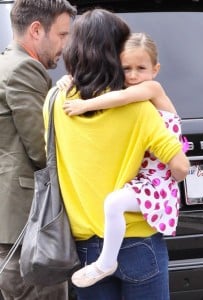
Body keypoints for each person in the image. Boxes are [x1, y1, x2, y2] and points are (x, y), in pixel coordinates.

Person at [43, 10, 190, 300]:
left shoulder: (54, 101)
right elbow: (180, 166)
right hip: (139, 241)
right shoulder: (139, 106)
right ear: (116, 53)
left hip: (85, 247)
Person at [0, 0, 76, 299]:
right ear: (36, 30)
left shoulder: (6, 62)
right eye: (62, 34)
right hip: (29, 230)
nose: (65, 45)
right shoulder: (24, 68)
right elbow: (44, 150)